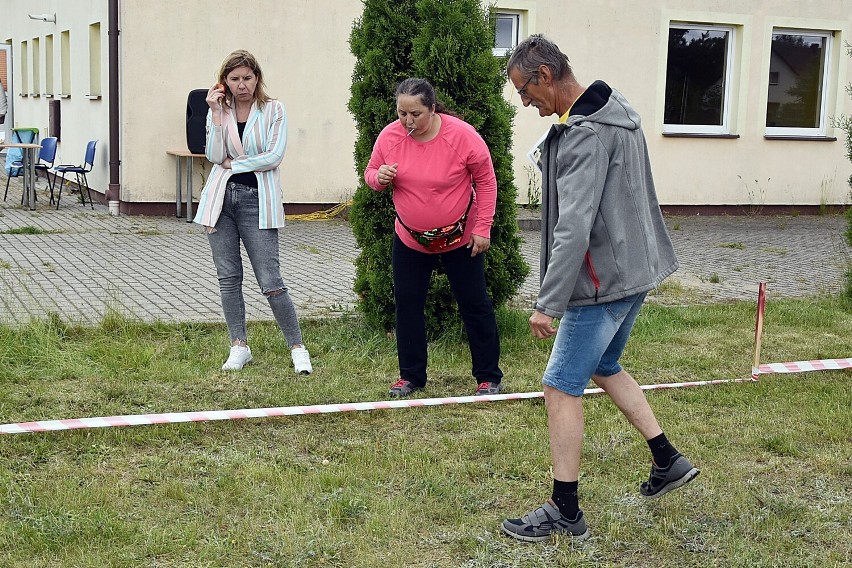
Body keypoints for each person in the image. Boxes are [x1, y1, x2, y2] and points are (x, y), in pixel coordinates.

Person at [500, 35, 699, 542]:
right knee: (604, 366)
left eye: (525, 90)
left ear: (545, 75)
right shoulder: (618, 108)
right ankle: (667, 460)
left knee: (559, 385)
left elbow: (574, 225)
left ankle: (565, 508)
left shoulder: (585, 135)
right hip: (635, 271)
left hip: (602, 282)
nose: (526, 103)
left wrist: (548, 303)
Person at [364, 78, 503, 398]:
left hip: (460, 238)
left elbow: (486, 180)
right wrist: (379, 177)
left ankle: (488, 377)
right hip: (411, 240)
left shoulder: (462, 136)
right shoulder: (390, 136)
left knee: (474, 304)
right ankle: (410, 376)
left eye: (416, 114)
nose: (408, 121)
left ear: (432, 108)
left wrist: (483, 227)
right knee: (408, 305)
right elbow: (371, 174)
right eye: (402, 114)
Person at [193, 49, 312, 375]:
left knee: (271, 280)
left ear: (257, 77)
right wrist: (216, 114)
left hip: (256, 200)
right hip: (221, 201)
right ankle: (239, 346)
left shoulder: (273, 109)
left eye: (247, 77)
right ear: (224, 82)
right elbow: (215, 154)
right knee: (228, 278)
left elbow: (273, 156)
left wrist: (236, 164)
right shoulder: (220, 111)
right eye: (234, 79)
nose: (241, 85)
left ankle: (297, 347)